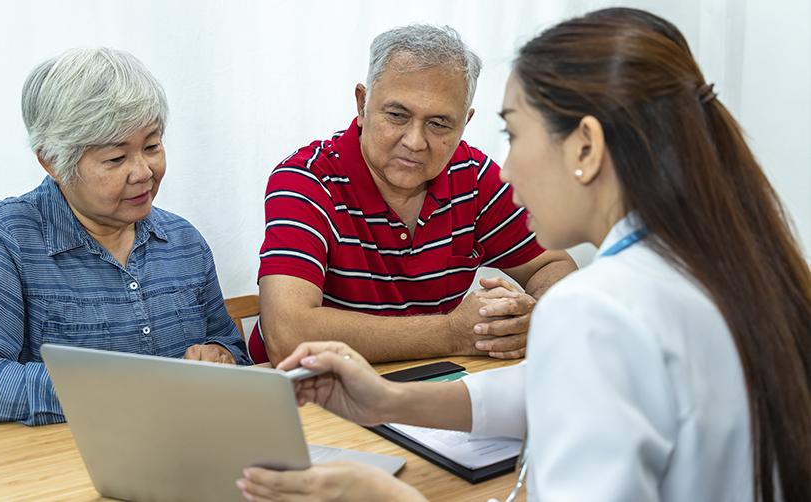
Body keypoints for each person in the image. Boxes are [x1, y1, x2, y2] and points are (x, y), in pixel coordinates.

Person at [236, 8, 810, 501]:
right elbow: (567, 388)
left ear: (585, 146)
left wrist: (389, 495)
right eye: (398, 116)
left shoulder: (596, 308)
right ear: (363, 104)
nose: (503, 169)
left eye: (513, 134)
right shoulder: (709, 264)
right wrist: (391, 398)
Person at [0, 48, 252, 426]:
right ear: (52, 160)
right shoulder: (4, 238)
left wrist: (220, 355)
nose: (143, 172)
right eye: (116, 159)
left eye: (152, 146)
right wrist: (127, 387)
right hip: (61, 471)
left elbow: (231, 348)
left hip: (189, 455)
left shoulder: (183, 241)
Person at [253, 25, 576, 364]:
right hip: (308, 397)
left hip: (426, 388)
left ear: (465, 123)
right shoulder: (305, 180)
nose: (415, 141)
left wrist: (531, 317)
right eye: (397, 115)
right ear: (363, 104)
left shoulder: (475, 175)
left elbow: (554, 265)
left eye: (439, 124)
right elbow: (287, 334)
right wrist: (453, 333)